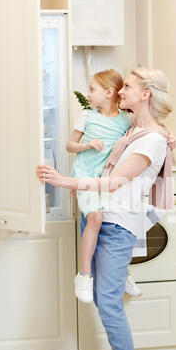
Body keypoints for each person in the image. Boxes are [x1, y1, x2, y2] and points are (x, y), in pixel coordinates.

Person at [36, 66, 176, 350]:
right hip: (107, 217)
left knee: (109, 304)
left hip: (117, 224)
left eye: (127, 86)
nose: (120, 91)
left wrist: (62, 181)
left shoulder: (152, 139)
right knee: (104, 299)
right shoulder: (137, 128)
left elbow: (115, 182)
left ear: (145, 94)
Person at [67, 69, 142, 302]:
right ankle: (84, 274)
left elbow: (148, 129)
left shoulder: (126, 119)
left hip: (109, 179)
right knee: (96, 219)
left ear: (109, 93)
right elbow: (70, 145)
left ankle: (123, 272)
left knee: (119, 225)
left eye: (92, 89)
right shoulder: (87, 117)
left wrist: (169, 137)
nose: (88, 94)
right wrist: (87, 145)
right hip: (86, 176)